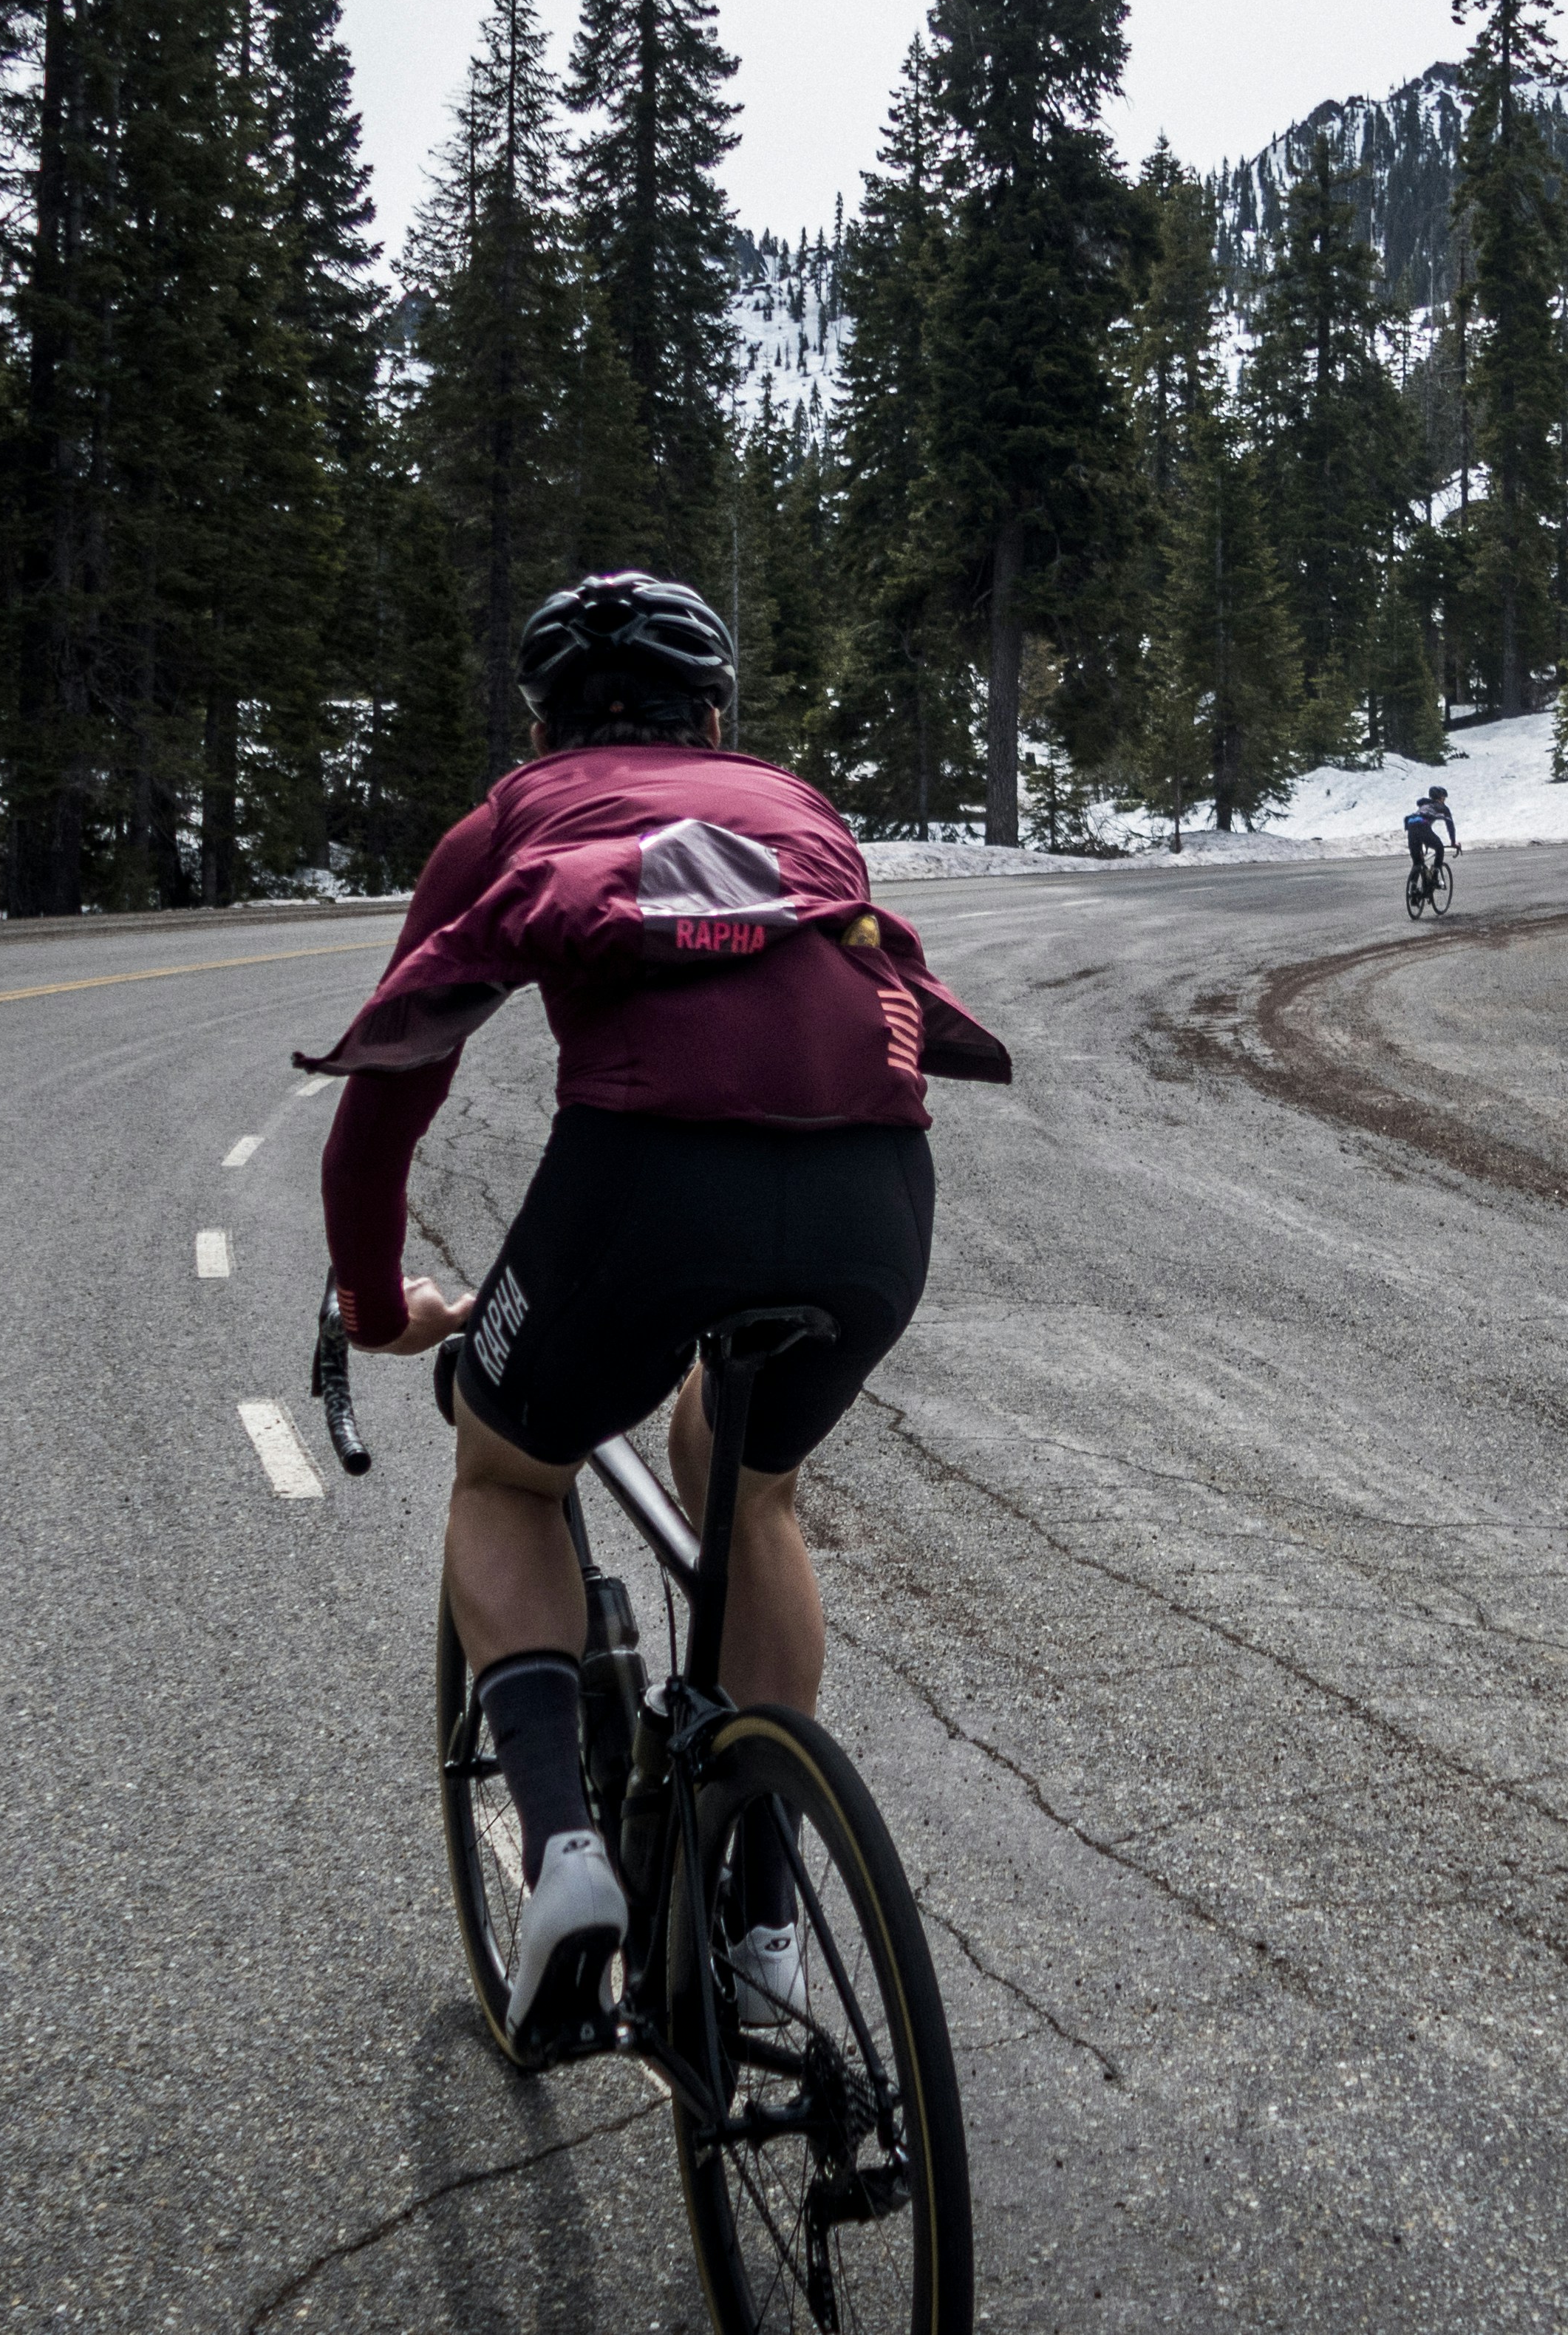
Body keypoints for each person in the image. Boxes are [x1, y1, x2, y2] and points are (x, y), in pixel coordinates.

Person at [299, 571, 1008, 2044]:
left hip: (645, 1179)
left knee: (505, 1463)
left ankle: (563, 1855)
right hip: (877, 1194)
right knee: (751, 1494)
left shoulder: (510, 819)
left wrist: (376, 1302)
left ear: (545, 726)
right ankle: (761, 1921)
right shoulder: (795, 804)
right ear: (719, 713)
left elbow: (387, 1097)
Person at [1402, 785, 1456, 895]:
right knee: (1440, 848)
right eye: (1443, 798)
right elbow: (1450, 825)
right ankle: (1435, 878)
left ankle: (1412, 890)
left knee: (1417, 862)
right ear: (1440, 798)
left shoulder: (1424, 805)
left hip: (1411, 826)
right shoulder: (1442, 807)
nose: (1444, 801)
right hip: (1422, 827)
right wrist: (1453, 842)